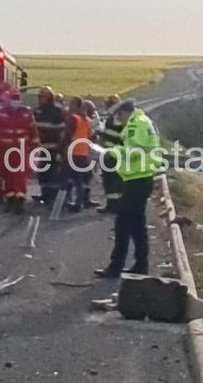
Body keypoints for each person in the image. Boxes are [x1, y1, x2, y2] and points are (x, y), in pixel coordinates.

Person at [94, 100, 162, 278]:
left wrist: (109, 152)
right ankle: (141, 265)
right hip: (140, 178)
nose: (119, 120)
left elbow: (135, 152)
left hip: (137, 179)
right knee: (137, 224)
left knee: (123, 224)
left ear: (125, 112)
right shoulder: (144, 121)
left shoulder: (135, 124)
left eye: (119, 116)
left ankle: (116, 267)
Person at [0, 89, 40, 214]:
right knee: (8, 175)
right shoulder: (1, 113)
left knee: (20, 175)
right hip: (4, 149)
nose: (16, 101)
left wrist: (36, 148)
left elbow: (33, 131)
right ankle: (10, 198)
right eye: (14, 99)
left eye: (18, 99)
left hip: (21, 149)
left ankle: (19, 199)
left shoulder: (26, 113)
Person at [60, 96, 96, 211]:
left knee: (64, 178)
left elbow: (67, 135)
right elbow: (91, 137)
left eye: (72, 104)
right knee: (79, 178)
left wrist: (61, 149)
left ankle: (64, 202)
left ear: (76, 105)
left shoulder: (73, 118)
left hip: (72, 152)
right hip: (83, 153)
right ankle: (79, 202)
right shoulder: (88, 121)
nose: (70, 106)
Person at [32, 86, 65, 205]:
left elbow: (62, 132)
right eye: (39, 97)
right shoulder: (36, 111)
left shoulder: (58, 111)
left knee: (53, 173)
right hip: (40, 147)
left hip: (53, 148)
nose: (40, 99)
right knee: (42, 172)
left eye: (43, 97)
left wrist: (61, 150)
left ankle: (52, 196)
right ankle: (44, 194)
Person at [96, 93, 125, 214]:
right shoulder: (118, 119)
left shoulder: (115, 120)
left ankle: (114, 205)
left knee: (112, 180)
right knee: (114, 180)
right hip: (113, 153)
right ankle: (115, 204)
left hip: (113, 154)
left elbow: (114, 137)